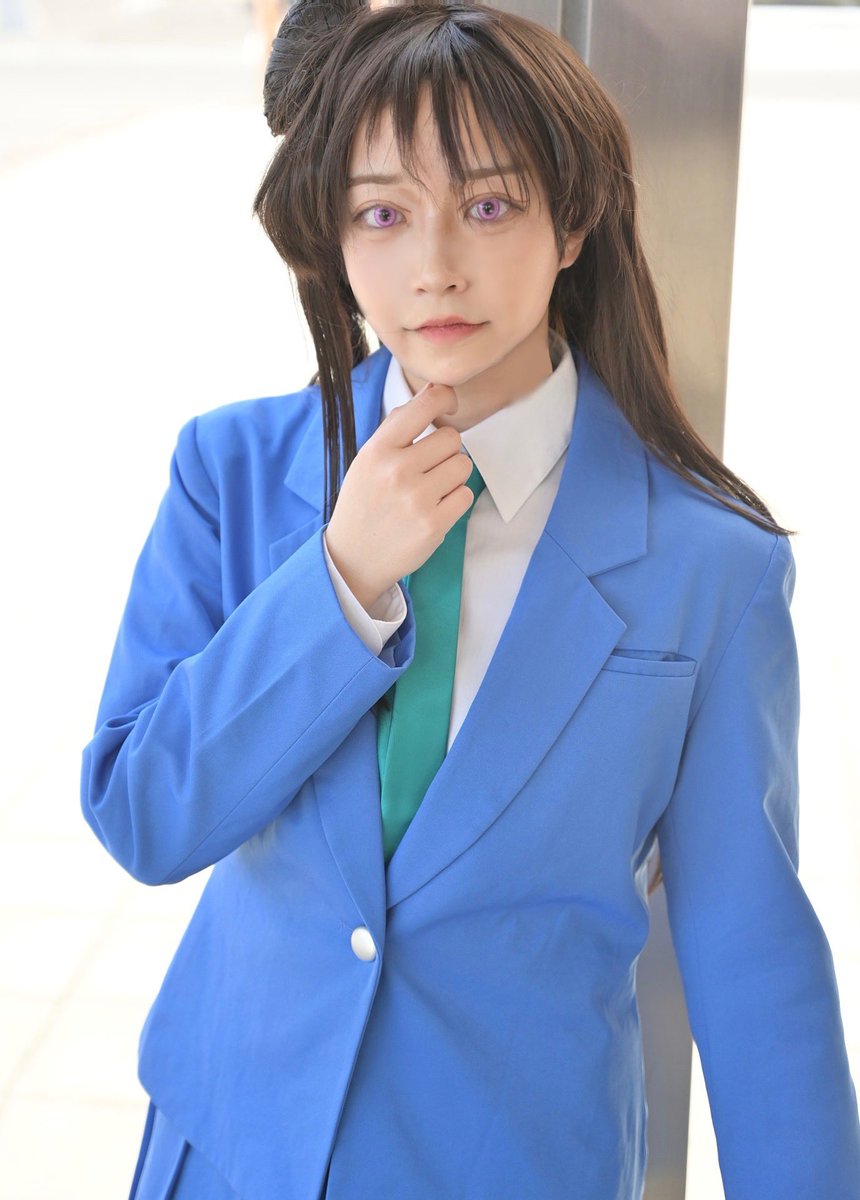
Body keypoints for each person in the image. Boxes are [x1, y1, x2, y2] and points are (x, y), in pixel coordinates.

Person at [80, 2, 860, 1197]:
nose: (434, 265)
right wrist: (338, 583)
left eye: (488, 207)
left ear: (572, 220)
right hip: (228, 1155)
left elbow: (750, 968)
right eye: (381, 214)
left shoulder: (711, 569)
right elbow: (145, 816)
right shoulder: (228, 472)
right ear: (331, 236)